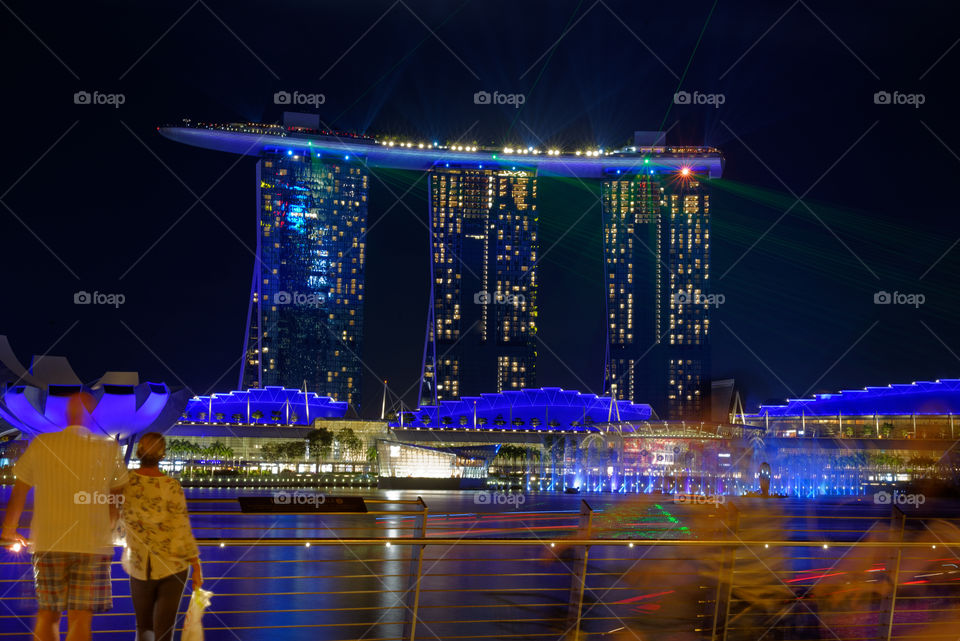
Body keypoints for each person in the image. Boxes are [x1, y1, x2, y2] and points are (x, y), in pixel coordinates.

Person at [1, 392, 128, 641]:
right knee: (81, 618)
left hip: (48, 542)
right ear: (92, 417)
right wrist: (110, 524)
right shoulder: (108, 447)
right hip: (92, 543)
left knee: (47, 615)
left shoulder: (42, 443)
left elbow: (20, 489)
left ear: (66, 414)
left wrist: (9, 528)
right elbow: (117, 495)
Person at [120, 432, 202, 641]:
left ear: (138, 453)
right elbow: (182, 526)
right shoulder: (172, 486)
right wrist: (196, 566)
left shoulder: (126, 482)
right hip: (174, 565)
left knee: (144, 628)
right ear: (163, 455)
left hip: (140, 564)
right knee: (164, 630)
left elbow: (113, 514)